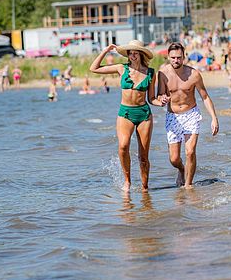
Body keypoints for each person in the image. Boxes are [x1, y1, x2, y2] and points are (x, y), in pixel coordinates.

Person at [90, 40, 166, 193]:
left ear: (142, 54)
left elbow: (151, 99)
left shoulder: (150, 72)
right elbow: (94, 68)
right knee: (123, 146)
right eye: (130, 53)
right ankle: (127, 181)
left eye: (136, 52)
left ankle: (145, 187)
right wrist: (105, 51)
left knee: (143, 156)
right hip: (125, 113)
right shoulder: (121, 68)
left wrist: (161, 102)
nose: (133, 55)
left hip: (144, 114)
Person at [157, 42, 219, 189]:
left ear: (184, 56)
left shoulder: (194, 74)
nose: (176, 61)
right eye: (172, 58)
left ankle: (188, 185)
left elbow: (205, 97)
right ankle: (181, 168)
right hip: (173, 117)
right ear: (168, 57)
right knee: (174, 159)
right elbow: (160, 94)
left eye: (179, 57)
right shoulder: (163, 74)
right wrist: (162, 98)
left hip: (191, 115)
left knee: (190, 152)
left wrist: (214, 118)